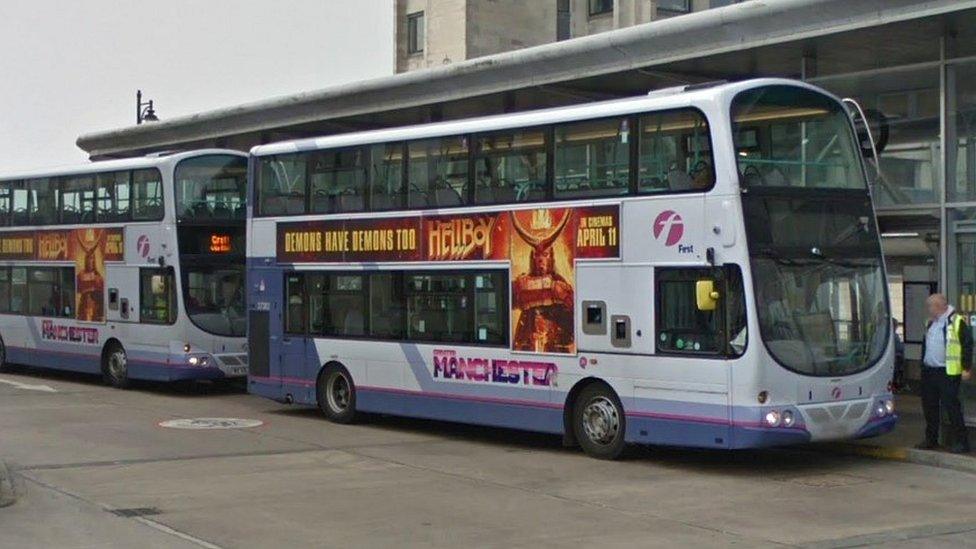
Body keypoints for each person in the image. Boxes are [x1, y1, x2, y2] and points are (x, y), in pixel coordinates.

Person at [918, 293, 972, 453]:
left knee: (952, 407)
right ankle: (931, 439)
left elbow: (967, 345)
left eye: (930, 306)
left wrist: (966, 368)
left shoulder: (956, 321)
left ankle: (962, 442)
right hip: (929, 371)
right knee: (930, 407)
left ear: (940, 306)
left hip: (947, 372)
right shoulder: (930, 323)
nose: (928, 309)